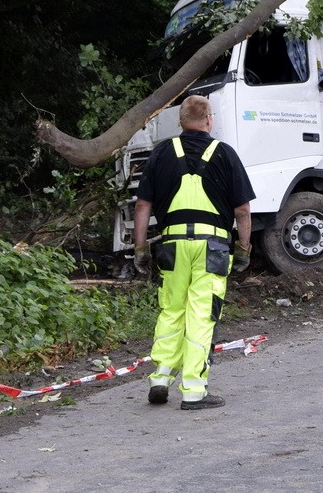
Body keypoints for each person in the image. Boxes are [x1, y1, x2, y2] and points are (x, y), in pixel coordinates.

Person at [132, 94, 255, 410]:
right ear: (209, 119)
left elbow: (143, 204)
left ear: (180, 121)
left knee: (172, 309)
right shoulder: (224, 154)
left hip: (172, 245)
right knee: (201, 313)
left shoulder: (161, 153)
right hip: (211, 248)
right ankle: (194, 390)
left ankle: (160, 378)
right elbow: (242, 209)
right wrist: (243, 248)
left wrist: (141, 248)